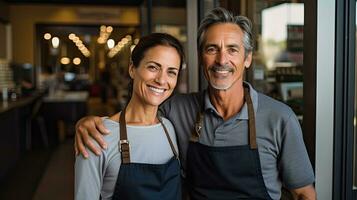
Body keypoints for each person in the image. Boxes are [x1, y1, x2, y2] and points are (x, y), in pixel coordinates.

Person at [75, 7, 316, 200]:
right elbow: (140, 112)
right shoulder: (178, 110)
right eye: (212, 49)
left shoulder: (279, 118)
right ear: (202, 58)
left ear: (248, 59)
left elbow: (304, 194)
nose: (222, 60)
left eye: (232, 50)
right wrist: (88, 121)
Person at [75, 32, 185, 200]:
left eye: (171, 72)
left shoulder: (169, 128)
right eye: (153, 67)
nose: (162, 80)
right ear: (133, 69)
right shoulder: (97, 135)